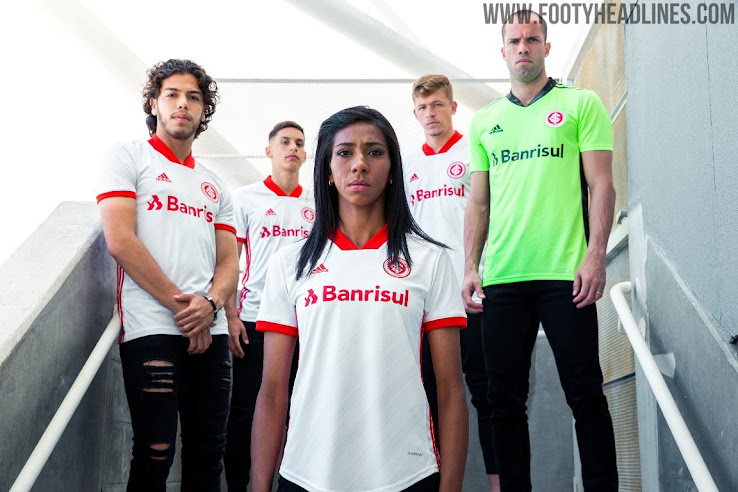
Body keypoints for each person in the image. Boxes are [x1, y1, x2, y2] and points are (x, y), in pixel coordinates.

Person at [251, 106, 469, 492]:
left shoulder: (429, 261)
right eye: (344, 152)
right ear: (326, 169)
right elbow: (272, 391)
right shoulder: (290, 263)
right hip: (306, 474)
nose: (359, 164)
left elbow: (451, 391)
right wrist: (260, 485)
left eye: (374, 152)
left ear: (392, 169)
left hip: (406, 475)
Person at [462, 10, 619, 491]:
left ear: (546, 48)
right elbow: (479, 202)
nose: (523, 48)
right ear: (503, 51)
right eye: (515, 41)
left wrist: (596, 255)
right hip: (503, 278)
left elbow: (601, 184)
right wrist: (470, 267)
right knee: (503, 402)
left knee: (585, 395)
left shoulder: (580, 104)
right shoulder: (485, 121)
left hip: (565, 276)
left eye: (532, 39)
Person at [97, 59, 238, 491]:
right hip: (152, 325)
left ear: (203, 110)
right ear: (154, 103)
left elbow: (229, 262)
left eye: (194, 97)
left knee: (208, 453)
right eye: (172, 94)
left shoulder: (216, 185)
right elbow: (120, 240)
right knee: (155, 452)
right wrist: (187, 310)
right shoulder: (128, 157)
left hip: (210, 328)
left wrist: (210, 305)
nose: (183, 104)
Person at [405, 74, 499, 491]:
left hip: (473, 292)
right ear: (415, 114)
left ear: (453, 107)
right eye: (423, 108)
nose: (431, 114)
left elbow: (490, 213)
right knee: (429, 395)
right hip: (425, 301)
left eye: (438, 105)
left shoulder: (473, 152)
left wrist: (478, 269)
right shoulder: (406, 164)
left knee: (487, 392)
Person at [223, 121, 313, 490]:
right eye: (285, 142)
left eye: (299, 143)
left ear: (305, 154)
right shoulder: (246, 198)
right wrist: (230, 316)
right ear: (269, 151)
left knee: (301, 413)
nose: (293, 148)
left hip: (307, 324)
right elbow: (230, 260)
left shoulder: (318, 202)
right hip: (255, 320)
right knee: (245, 413)